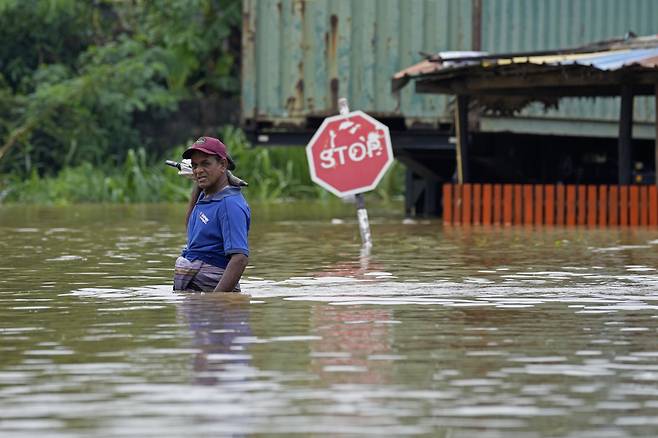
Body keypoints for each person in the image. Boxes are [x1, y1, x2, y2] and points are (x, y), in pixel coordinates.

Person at [173, 136, 250, 292]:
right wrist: (198, 182)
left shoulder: (230, 205)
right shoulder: (206, 194)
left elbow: (240, 258)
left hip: (213, 307)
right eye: (194, 165)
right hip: (197, 301)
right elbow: (191, 232)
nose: (198, 170)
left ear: (222, 165)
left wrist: (215, 302)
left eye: (205, 164)